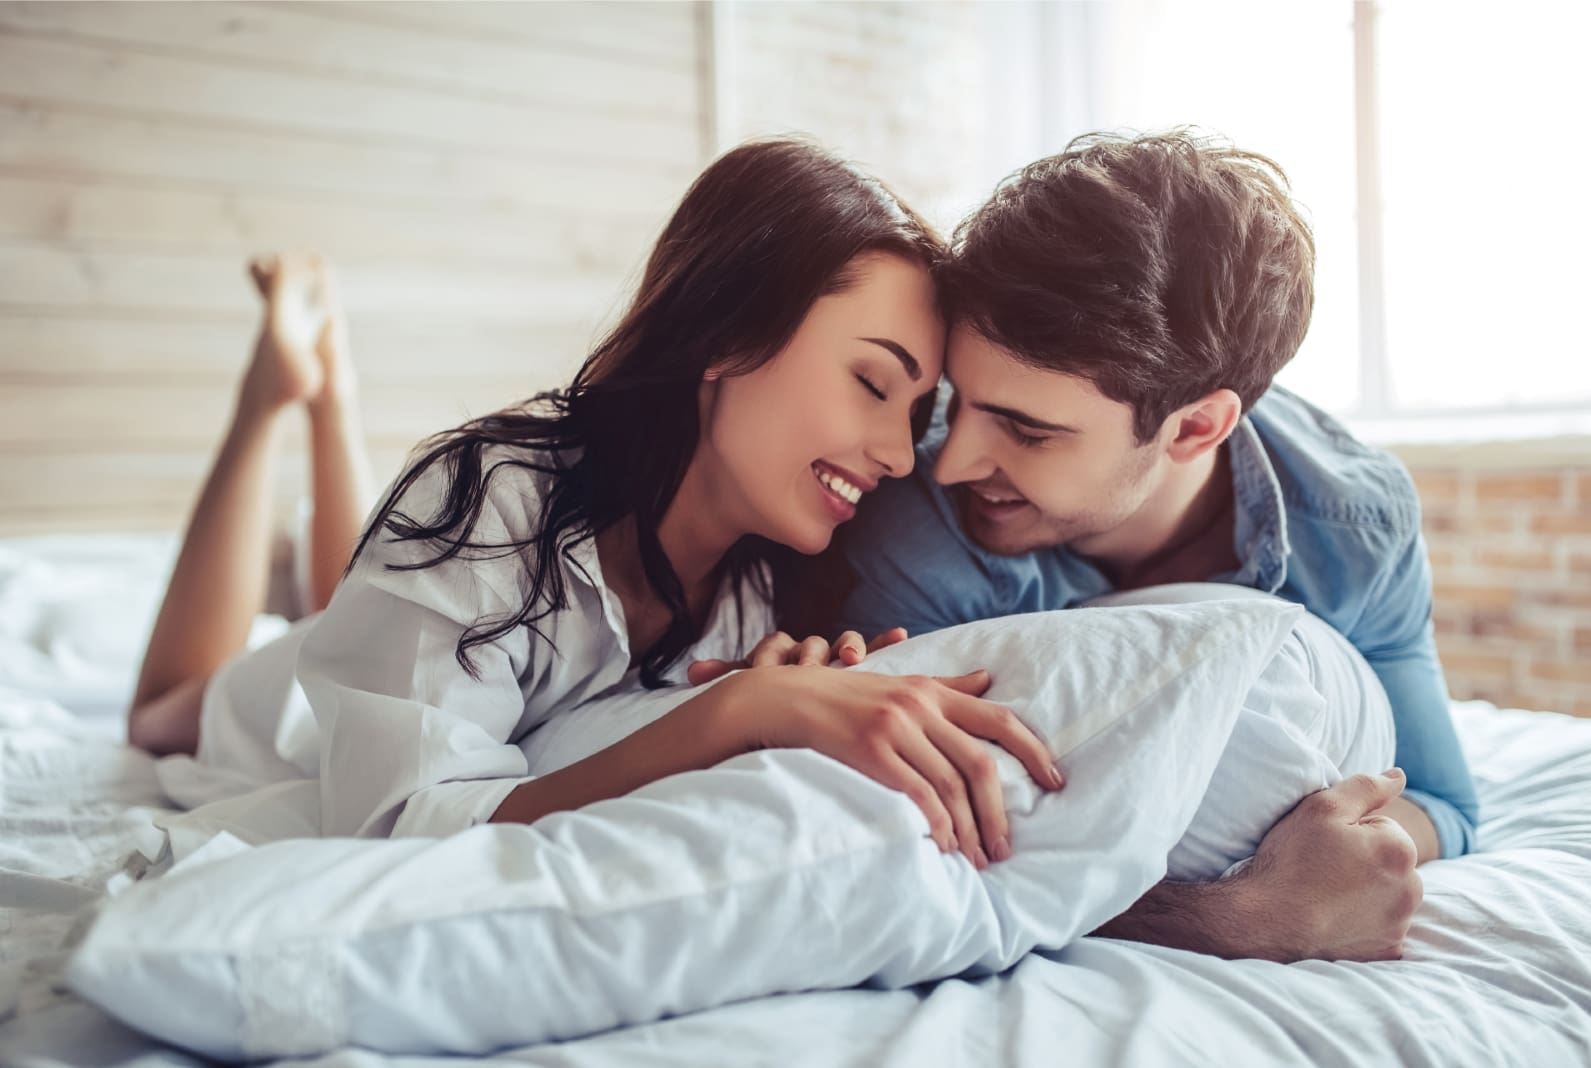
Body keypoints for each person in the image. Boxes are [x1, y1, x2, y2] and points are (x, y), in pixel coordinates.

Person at [126, 138, 1063, 871]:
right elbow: (402, 827)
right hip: (317, 697)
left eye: (915, 413)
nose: (901, 456)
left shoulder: (768, 583)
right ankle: (273, 400)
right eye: (871, 382)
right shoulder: (487, 496)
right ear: (730, 333)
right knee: (162, 711)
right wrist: (736, 711)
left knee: (340, 597)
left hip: (404, 631)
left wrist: (781, 691)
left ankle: (330, 392)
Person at [822, 131, 1477, 962]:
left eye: (1027, 429)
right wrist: (1248, 914)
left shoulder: (1353, 527)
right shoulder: (923, 527)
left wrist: (1347, 854)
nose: (951, 461)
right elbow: (917, 848)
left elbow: (1446, 805)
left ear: (1195, 427)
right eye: (963, 398)